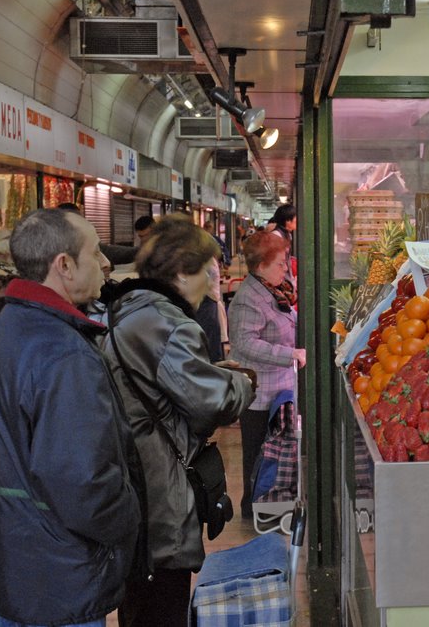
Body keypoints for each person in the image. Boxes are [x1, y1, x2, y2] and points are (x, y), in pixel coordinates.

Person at [0, 209, 143, 627]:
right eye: (95, 252)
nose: (106, 263)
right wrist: (130, 519)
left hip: (18, 562)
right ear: (63, 266)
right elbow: (81, 480)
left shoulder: (1, 332)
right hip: (61, 574)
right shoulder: (64, 353)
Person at [89, 214, 254, 627]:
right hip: (159, 490)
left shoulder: (130, 308)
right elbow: (212, 401)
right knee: (162, 603)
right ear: (182, 272)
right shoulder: (168, 323)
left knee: (140, 604)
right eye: (207, 271)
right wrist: (241, 382)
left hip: (132, 482)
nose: (212, 283)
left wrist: (212, 368)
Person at [228, 230, 306, 518]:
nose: (286, 269)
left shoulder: (274, 290)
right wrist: (290, 354)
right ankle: (254, 507)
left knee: (276, 452)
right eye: (280, 264)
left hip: (279, 387)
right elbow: (245, 343)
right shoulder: (249, 298)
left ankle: (269, 502)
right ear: (261, 266)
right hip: (260, 394)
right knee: (259, 452)